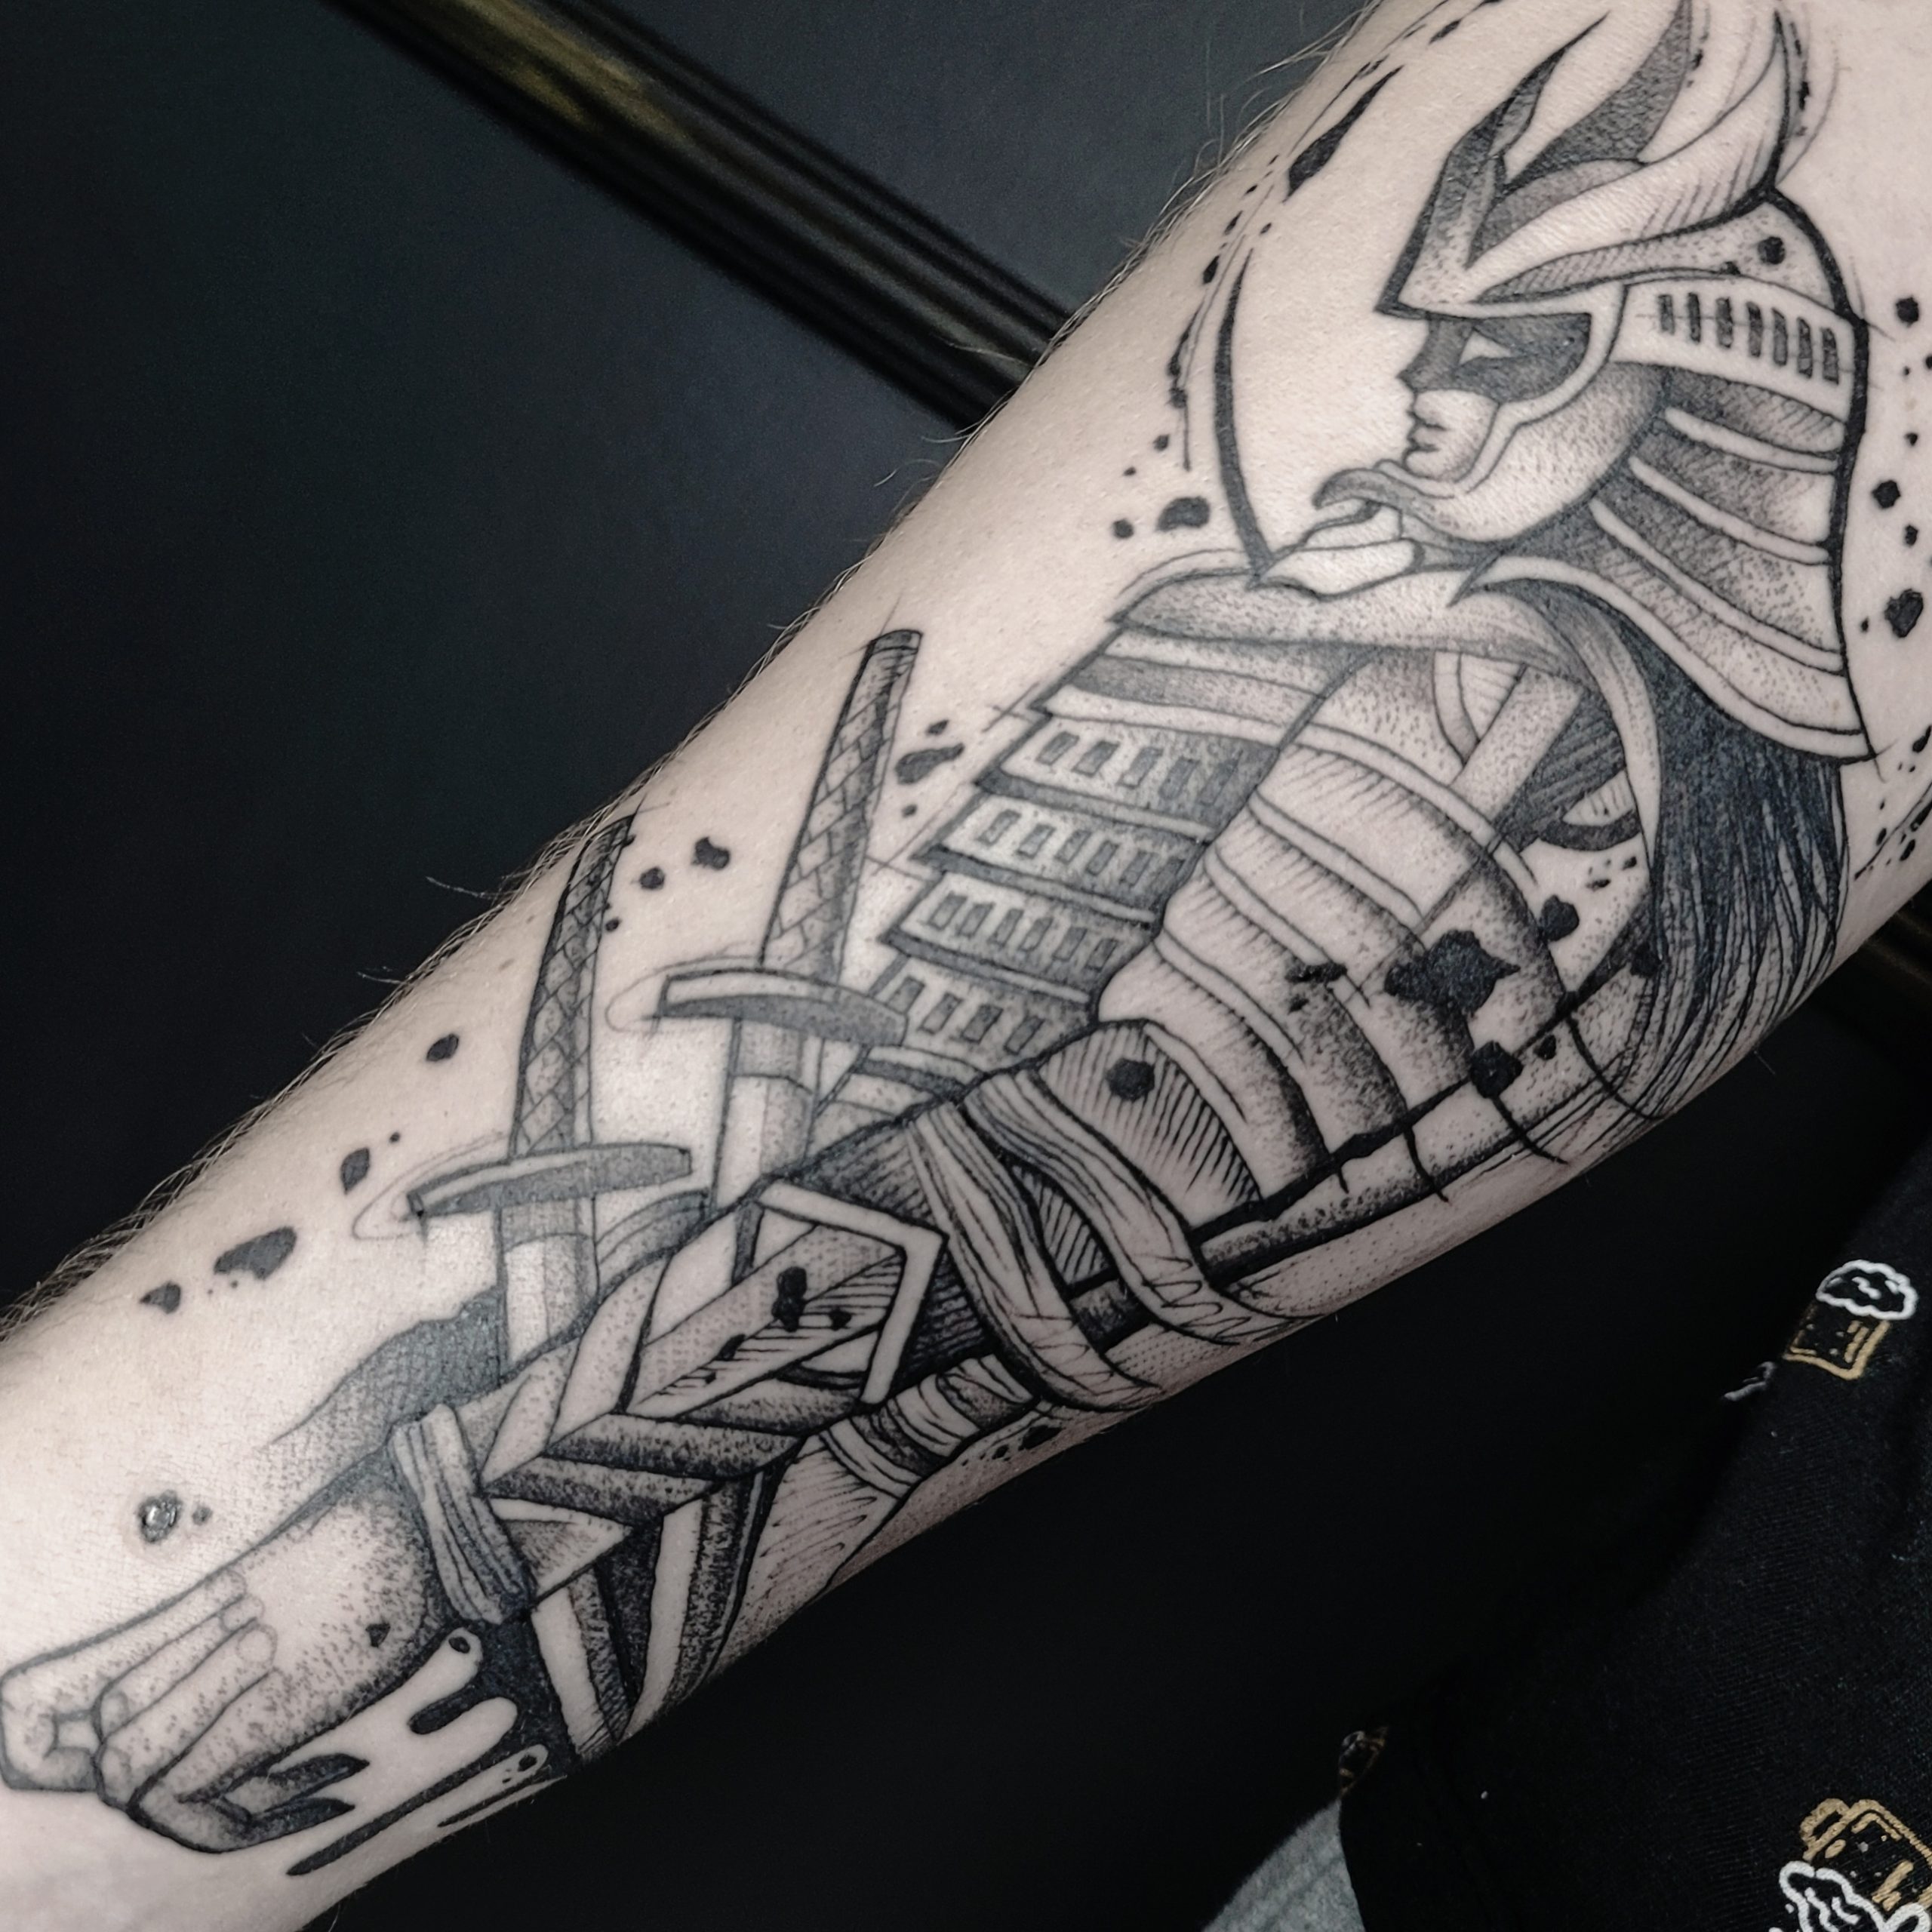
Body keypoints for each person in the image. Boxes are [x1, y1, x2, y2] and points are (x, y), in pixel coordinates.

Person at [2, 0, 1928, 1924]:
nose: (1420, 387)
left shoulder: (1509, 733)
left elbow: (1008, 1197)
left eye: (1502, 348)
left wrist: (425, 1536)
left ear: (1708, 380)